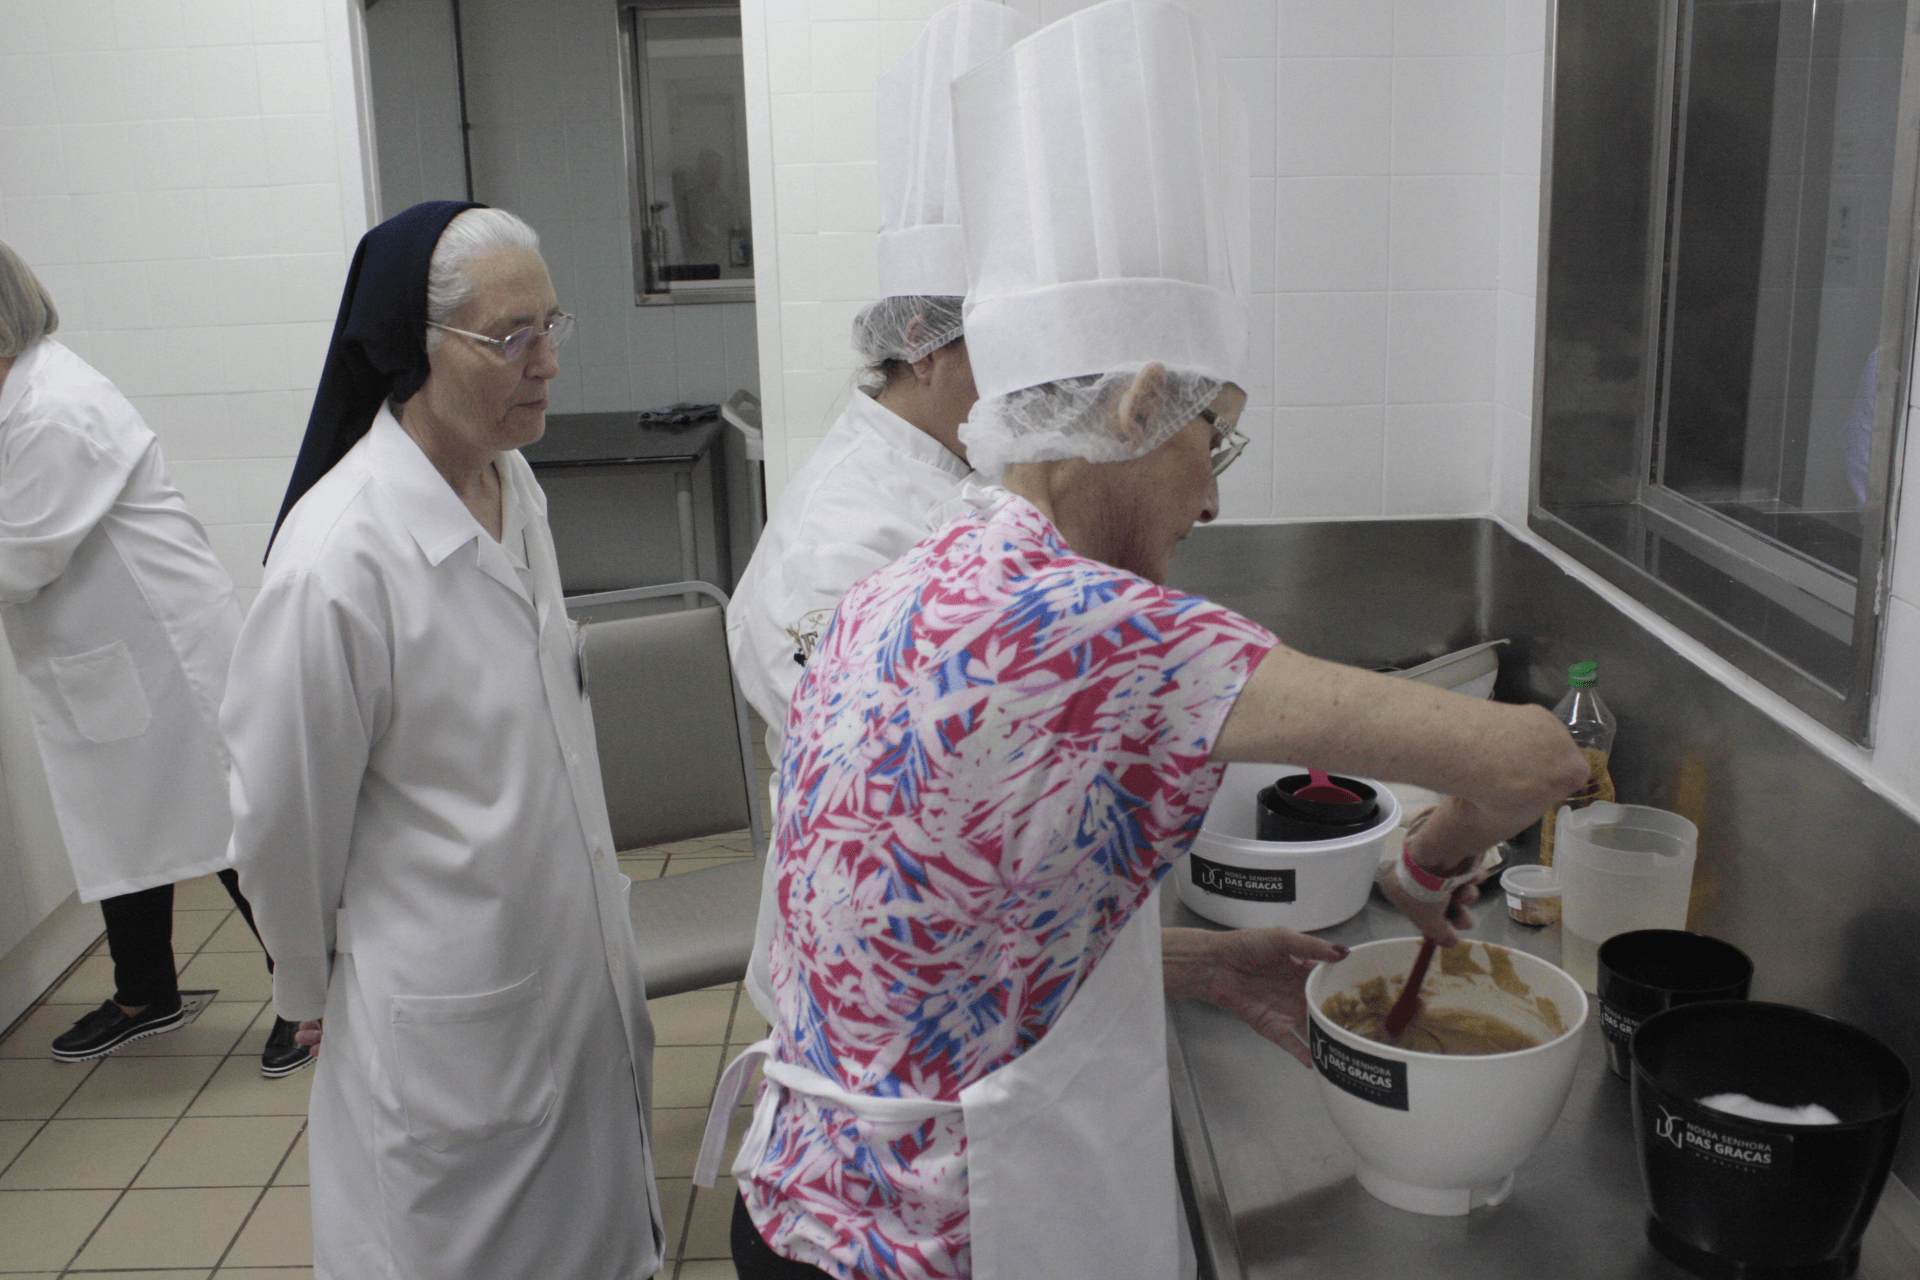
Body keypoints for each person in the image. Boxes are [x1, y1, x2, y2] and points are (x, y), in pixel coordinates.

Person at [698, 5, 1591, 1279]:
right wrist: (1433, 854)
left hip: (807, 1206)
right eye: (1211, 439)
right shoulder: (1098, 629)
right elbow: (1535, 758)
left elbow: (971, 905)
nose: (1215, 496)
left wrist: (1211, 962)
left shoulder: (944, 564)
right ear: (1132, 403)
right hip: (924, 1241)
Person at [223, 202, 664, 1280]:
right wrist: (305, 988)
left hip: (569, 982)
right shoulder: (340, 558)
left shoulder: (511, 484)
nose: (547, 360)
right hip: (452, 1021)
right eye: (511, 335)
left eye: (553, 323)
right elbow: (281, 823)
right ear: (411, 351)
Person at [727, 0, 1035, 1019]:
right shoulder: (845, 536)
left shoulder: (952, 472)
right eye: (1016, 343)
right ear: (933, 344)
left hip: (944, 946)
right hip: (874, 974)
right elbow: (904, 782)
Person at [0, 238, 307, 1077]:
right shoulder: (17, 393)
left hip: (167, 654)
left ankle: (308, 997)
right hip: (105, 657)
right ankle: (146, 994)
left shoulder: (53, 408)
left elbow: (18, 560)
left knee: (233, 828)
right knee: (123, 822)